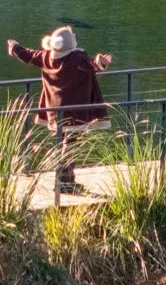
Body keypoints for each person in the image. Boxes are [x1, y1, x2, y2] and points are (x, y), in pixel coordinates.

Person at [7, 26, 112, 194]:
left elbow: (28, 55)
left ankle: (66, 181)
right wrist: (102, 61)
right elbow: (92, 65)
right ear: (70, 44)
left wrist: (15, 47)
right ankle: (64, 182)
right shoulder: (77, 59)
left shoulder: (46, 57)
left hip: (53, 111)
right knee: (71, 145)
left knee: (63, 143)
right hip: (75, 111)